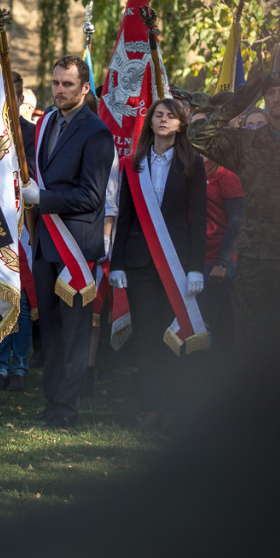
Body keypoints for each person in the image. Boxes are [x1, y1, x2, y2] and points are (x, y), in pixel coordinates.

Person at [186, 70, 280, 353]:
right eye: (270, 93)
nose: (276, 98)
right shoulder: (246, 141)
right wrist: (240, 102)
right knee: (250, 335)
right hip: (254, 251)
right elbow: (196, 136)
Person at [21, 55, 115, 428]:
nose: (59, 90)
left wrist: (42, 200)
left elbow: (92, 197)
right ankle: (52, 401)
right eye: (56, 83)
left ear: (85, 87)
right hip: (46, 242)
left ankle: (67, 409)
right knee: (52, 328)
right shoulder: (45, 124)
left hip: (75, 245)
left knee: (75, 331)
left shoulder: (96, 132)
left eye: (68, 85)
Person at [110, 99, 206, 429]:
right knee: (148, 338)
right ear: (149, 123)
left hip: (176, 265)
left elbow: (199, 219)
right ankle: (151, 407)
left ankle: (174, 409)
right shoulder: (132, 164)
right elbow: (124, 218)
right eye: (158, 116)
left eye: (171, 116)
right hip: (138, 265)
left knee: (175, 337)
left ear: (181, 124)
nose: (163, 121)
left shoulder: (192, 163)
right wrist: (117, 262)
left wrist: (196, 267)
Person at [0, 72, 36, 393]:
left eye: (13, 94)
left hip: (25, 223)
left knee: (23, 296)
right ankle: (0, 363)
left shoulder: (34, 132)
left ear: (20, 97)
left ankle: (20, 365)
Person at [188, 109, 245, 353]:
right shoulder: (186, 169)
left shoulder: (226, 174)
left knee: (207, 323)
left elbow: (236, 220)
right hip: (192, 260)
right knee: (193, 323)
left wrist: (222, 262)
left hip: (217, 263)